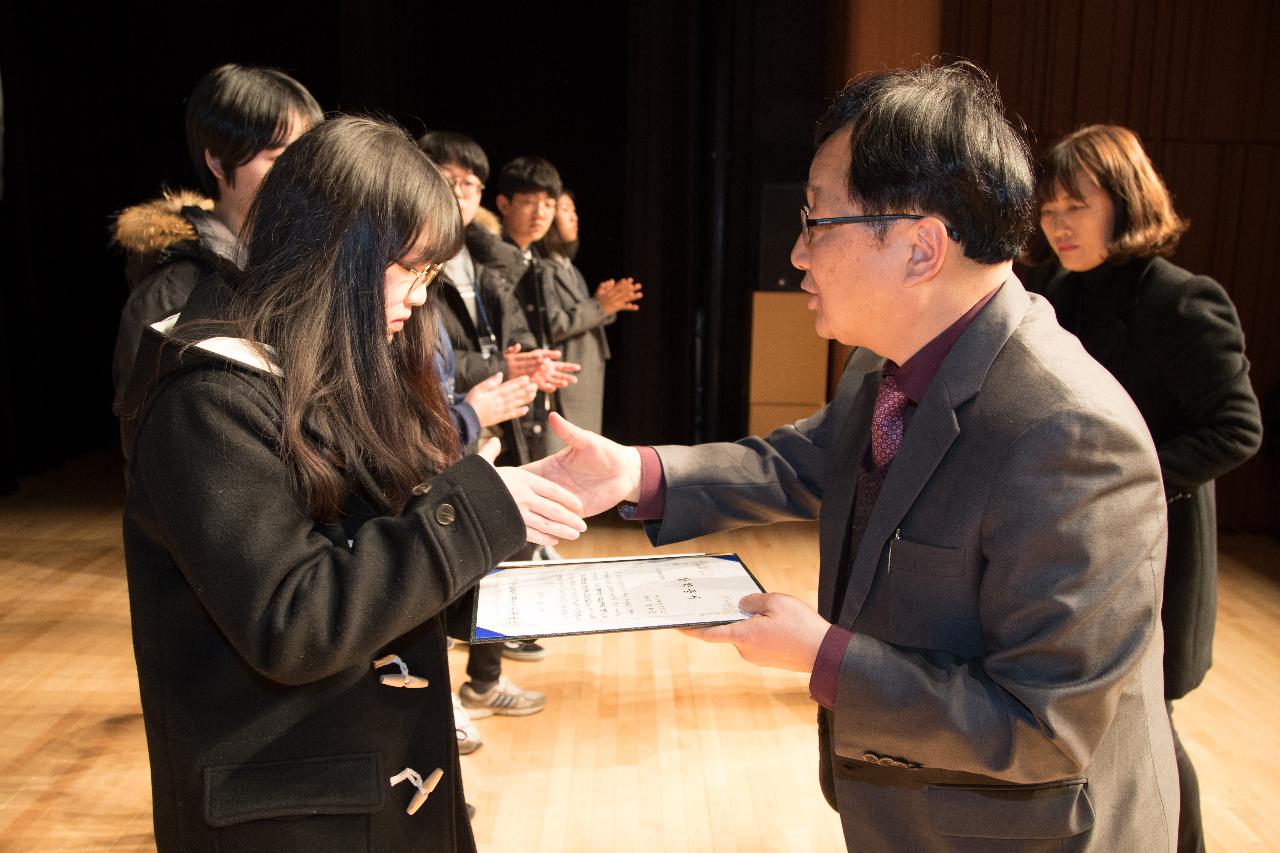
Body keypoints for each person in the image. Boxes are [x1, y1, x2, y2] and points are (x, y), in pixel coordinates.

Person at [529, 63, 1180, 851]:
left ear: (920, 248)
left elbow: (1047, 725)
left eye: (816, 222)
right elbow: (806, 459)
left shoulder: (1071, 433)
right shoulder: (885, 361)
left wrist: (824, 655)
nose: (797, 254)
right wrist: (639, 473)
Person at [118, 116, 586, 851]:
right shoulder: (208, 393)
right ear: (334, 249)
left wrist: (492, 562)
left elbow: (367, 556)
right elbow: (294, 618)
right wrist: (469, 518)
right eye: (409, 270)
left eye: (431, 275)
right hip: (290, 810)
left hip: (371, 784)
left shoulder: (324, 364)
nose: (415, 301)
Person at [1026, 123, 1263, 853]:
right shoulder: (1056, 297)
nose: (1059, 222)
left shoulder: (1183, 301)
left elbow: (1235, 428)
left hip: (1157, 547)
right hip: (1075, 547)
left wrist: (1121, 480)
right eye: (1050, 208)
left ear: (1125, 202)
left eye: (1078, 205)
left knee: (1151, 726)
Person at [111, 63, 322, 412]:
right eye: (279, 157)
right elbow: (146, 428)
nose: (300, 174)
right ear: (219, 162)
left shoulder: (302, 255)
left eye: (306, 156)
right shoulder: (173, 288)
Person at [537, 189, 643, 450]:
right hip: (564, 384)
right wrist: (599, 306)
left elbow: (579, 316)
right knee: (560, 455)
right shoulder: (542, 269)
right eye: (564, 210)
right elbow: (552, 324)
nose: (574, 218)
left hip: (585, 382)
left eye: (574, 211)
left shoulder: (570, 269)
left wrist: (604, 306)